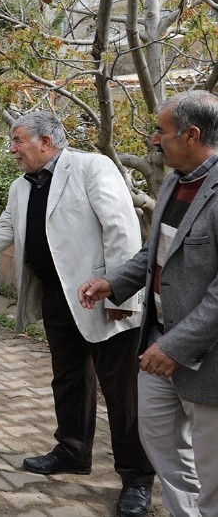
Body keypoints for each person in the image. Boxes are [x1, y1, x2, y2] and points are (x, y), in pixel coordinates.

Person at [0, 111, 155, 517]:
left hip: (103, 299)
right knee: (68, 379)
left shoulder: (91, 167)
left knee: (122, 392)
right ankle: (72, 451)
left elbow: (121, 230)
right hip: (58, 299)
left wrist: (121, 296)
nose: (11, 148)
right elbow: (4, 231)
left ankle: (136, 477)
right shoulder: (21, 187)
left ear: (46, 143)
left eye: (17, 140)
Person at [79, 90, 218, 517]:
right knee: (160, 442)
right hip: (155, 343)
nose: (154, 140)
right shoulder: (176, 178)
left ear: (192, 135)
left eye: (161, 131)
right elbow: (153, 254)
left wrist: (174, 347)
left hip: (205, 358)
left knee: (213, 471)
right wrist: (112, 282)